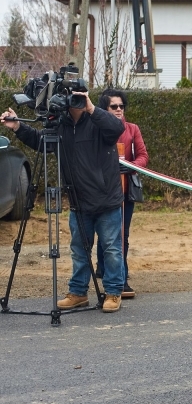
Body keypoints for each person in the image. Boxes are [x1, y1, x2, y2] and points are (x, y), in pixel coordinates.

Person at [2, 94, 126, 313]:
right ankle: (78, 293)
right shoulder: (61, 125)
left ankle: (113, 292)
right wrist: (18, 126)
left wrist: (91, 108)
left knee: (111, 249)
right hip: (79, 201)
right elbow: (41, 141)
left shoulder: (98, 120)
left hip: (106, 199)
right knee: (79, 249)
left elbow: (116, 128)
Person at [95, 89, 149, 300]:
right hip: (102, 190)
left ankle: (121, 277)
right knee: (105, 235)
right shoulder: (97, 128)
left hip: (125, 191)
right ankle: (104, 268)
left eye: (121, 106)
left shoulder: (132, 129)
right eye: (113, 106)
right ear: (104, 109)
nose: (119, 110)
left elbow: (143, 156)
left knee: (121, 235)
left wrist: (132, 166)